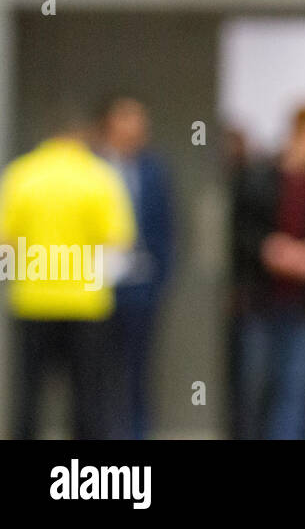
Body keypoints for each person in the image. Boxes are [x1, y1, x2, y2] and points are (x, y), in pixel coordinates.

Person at [0, 106, 136, 439]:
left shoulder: (21, 174)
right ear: (81, 138)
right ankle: (83, 479)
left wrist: (13, 279)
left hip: (33, 301)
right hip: (86, 305)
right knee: (88, 397)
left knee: (29, 395)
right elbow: (119, 244)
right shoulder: (98, 177)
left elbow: (5, 243)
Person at [232, 105, 305, 439]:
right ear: (299, 132)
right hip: (259, 301)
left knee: (299, 391)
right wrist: (267, 249)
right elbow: (237, 230)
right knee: (253, 389)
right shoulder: (257, 175)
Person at [96, 94, 175, 440]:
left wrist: (160, 278)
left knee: (137, 373)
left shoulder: (154, 170)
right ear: (109, 123)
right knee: (96, 373)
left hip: (141, 286)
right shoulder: (91, 167)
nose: (136, 127)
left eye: (140, 119)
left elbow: (168, 228)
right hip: (94, 287)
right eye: (127, 118)